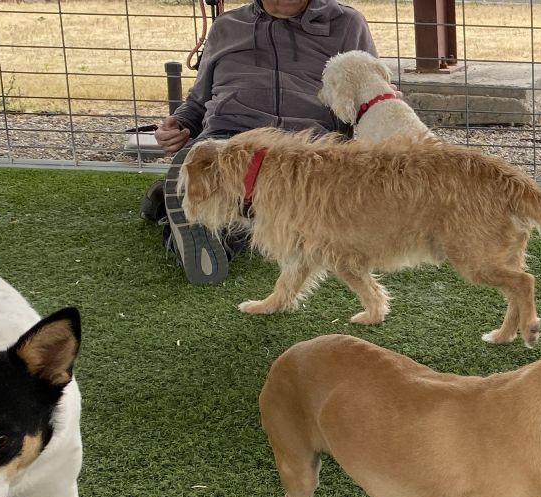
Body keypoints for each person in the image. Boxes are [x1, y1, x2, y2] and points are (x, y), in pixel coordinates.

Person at [141, 0, 376, 284]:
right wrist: (179, 124)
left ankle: (189, 203)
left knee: (265, 195)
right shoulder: (226, 26)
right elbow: (198, 101)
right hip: (230, 139)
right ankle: (204, 219)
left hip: (304, 147)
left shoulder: (347, 23)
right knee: (220, 171)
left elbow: (370, 91)